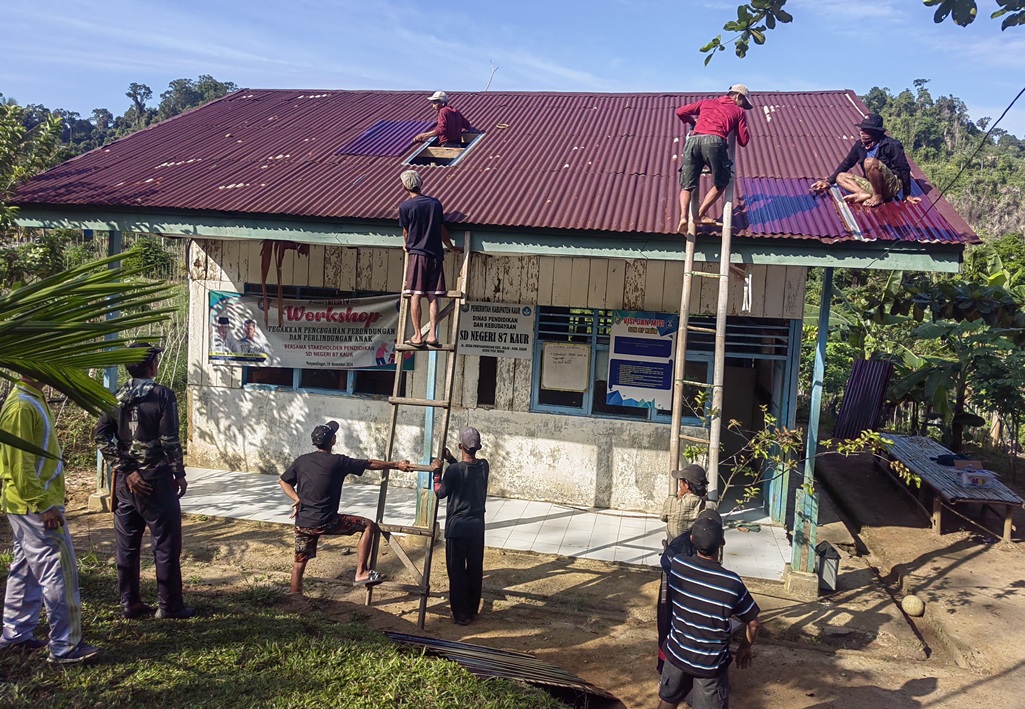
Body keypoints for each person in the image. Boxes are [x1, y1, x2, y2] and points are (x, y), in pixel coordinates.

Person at [1, 377, 102, 664]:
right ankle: (65, 646)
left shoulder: (32, 399)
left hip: (28, 504)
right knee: (59, 571)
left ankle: (15, 632)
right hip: (35, 506)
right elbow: (20, 465)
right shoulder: (21, 406)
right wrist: (44, 505)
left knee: (26, 569)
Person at [95, 342, 194, 620]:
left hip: (127, 484)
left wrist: (127, 469)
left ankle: (130, 603)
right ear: (151, 365)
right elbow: (169, 439)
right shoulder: (162, 394)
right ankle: (170, 605)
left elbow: (102, 437)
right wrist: (179, 473)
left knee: (127, 546)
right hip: (156, 480)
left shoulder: (115, 396)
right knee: (165, 544)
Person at [278, 420, 411, 595]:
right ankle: (362, 572)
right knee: (368, 525)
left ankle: (295, 598)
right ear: (333, 440)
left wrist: (297, 498)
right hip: (327, 521)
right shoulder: (338, 461)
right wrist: (396, 465)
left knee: (299, 561)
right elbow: (369, 464)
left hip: (304, 523)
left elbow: (283, 481)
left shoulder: (301, 461)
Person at [658, 515, 760, 709]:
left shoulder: (678, 566)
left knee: (668, 701)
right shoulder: (731, 583)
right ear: (722, 543)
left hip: (677, 652)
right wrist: (744, 648)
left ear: (691, 540)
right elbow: (753, 623)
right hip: (709, 664)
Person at [398, 170, 463, 348]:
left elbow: (406, 231)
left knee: (416, 295)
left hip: (418, 255)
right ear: (421, 184)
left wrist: (406, 244)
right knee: (433, 296)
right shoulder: (435, 204)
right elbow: (442, 229)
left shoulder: (405, 207)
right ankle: (433, 335)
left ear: (405, 186)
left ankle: (418, 336)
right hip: (435, 255)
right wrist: (450, 246)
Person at [675, 85, 753, 234]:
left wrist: (693, 122)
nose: (743, 105)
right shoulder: (738, 111)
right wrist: (736, 126)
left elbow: (680, 112)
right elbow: (743, 141)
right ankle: (699, 215)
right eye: (743, 101)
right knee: (722, 181)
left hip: (693, 141)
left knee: (687, 185)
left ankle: (683, 217)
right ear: (738, 97)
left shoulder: (706, 103)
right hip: (714, 141)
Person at [432, 427, 489, 626]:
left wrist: (437, 471)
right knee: (474, 569)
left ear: (459, 446)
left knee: (456, 572)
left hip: (457, 527)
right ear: (478, 447)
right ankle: (472, 610)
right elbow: (465, 471)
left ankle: (461, 615)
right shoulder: (484, 466)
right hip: (476, 527)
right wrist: (450, 460)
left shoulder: (453, 471)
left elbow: (440, 492)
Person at [810, 112, 922, 208]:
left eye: (867, 131)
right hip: (872, 184)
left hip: (890, 186)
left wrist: (907, 194)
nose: (863, 133)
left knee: (869, 162)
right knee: (840, 176)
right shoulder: (860, 145)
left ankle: (878, 197)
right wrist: (828, 182)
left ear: (877, 132)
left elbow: (904, 169)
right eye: (862, 130)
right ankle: (863, 193)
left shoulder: (892, 145)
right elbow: (847, 163)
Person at [660, 464, 713, 542]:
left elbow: (663, 518)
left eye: (681, 481)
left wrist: (678, 496)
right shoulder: (708, 506)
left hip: (673, 548)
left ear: (687, 484)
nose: (679, 484)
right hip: (694, 549)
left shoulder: (671, 503)